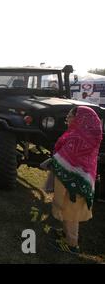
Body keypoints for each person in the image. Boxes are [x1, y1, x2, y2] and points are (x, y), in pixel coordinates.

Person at [47, 106, 102, 254]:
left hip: (75, 183)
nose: (68, 120)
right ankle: (65, 233)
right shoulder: (86, 135)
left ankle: (72, 244)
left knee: (71, 212)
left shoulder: (78, 138)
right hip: (79, 180)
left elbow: (66, 160)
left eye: (70, 117)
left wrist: (56, 161)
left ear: (80, 120)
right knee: (68, 208)